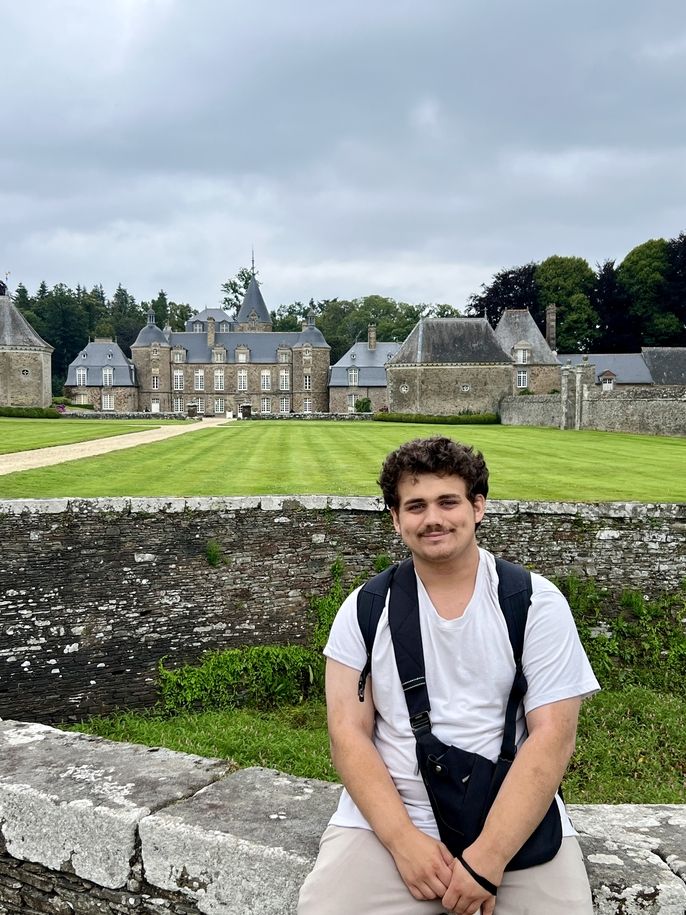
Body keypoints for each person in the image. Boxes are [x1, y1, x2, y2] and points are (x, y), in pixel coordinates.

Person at [298, 436, 599, 915]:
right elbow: (347, 734)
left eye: (448, 502)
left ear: (478, 507)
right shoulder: (364, 609)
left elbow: (553, 737)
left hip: (512, 817)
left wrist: (488, 858)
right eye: (415, 506)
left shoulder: (534, 603)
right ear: (396, 520)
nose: (432, 518)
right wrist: (402, 842)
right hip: (397, 818)